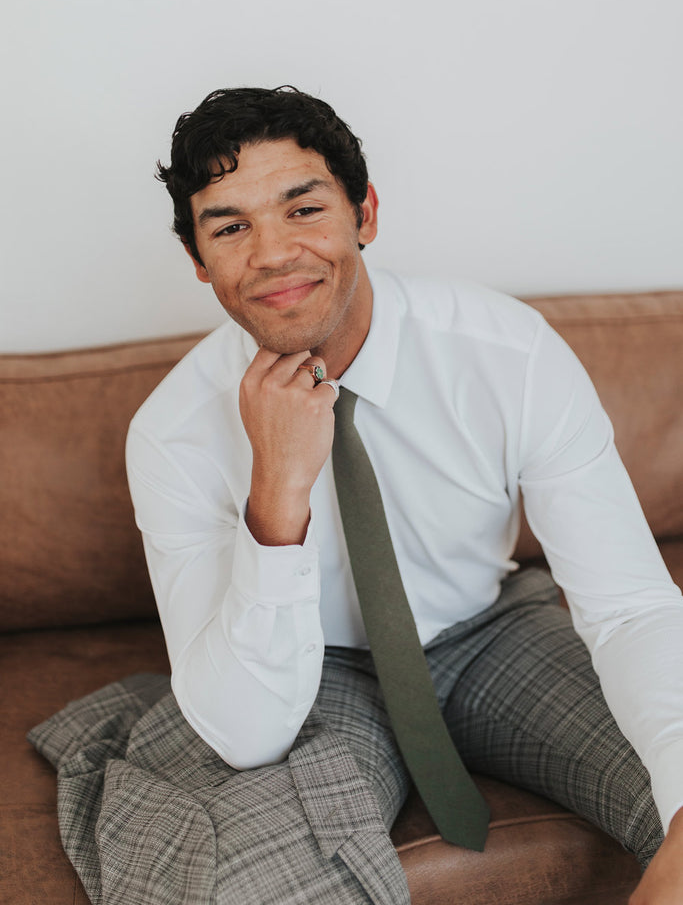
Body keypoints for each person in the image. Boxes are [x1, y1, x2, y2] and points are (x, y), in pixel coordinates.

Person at [126, 85, 683, 903]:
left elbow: (631, 607)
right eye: (231, 227)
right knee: (262, 882)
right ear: (199, 263)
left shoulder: (505, 352)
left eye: (303, 209)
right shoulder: (170, 433)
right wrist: (277, 490)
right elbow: (245, 732)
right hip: (313, 674)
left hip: (490, 630)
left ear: (365, 213)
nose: (274, 253)